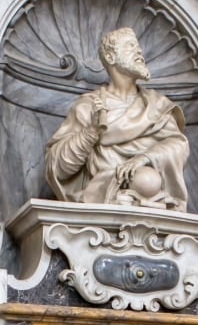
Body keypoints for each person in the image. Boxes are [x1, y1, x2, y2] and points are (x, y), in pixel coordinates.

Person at [45, 27, 189, 211]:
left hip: (151, 191)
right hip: (103, 193)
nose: (139, 51)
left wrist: (143, 158)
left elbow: (178, 145)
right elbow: (57, 167)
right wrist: (91, 132)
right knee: (145, 180)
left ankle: (139, 197)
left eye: (138, 47)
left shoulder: (157, 105)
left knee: (147, 179)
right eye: (130, 46)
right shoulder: (90, 106)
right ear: (111, 57)